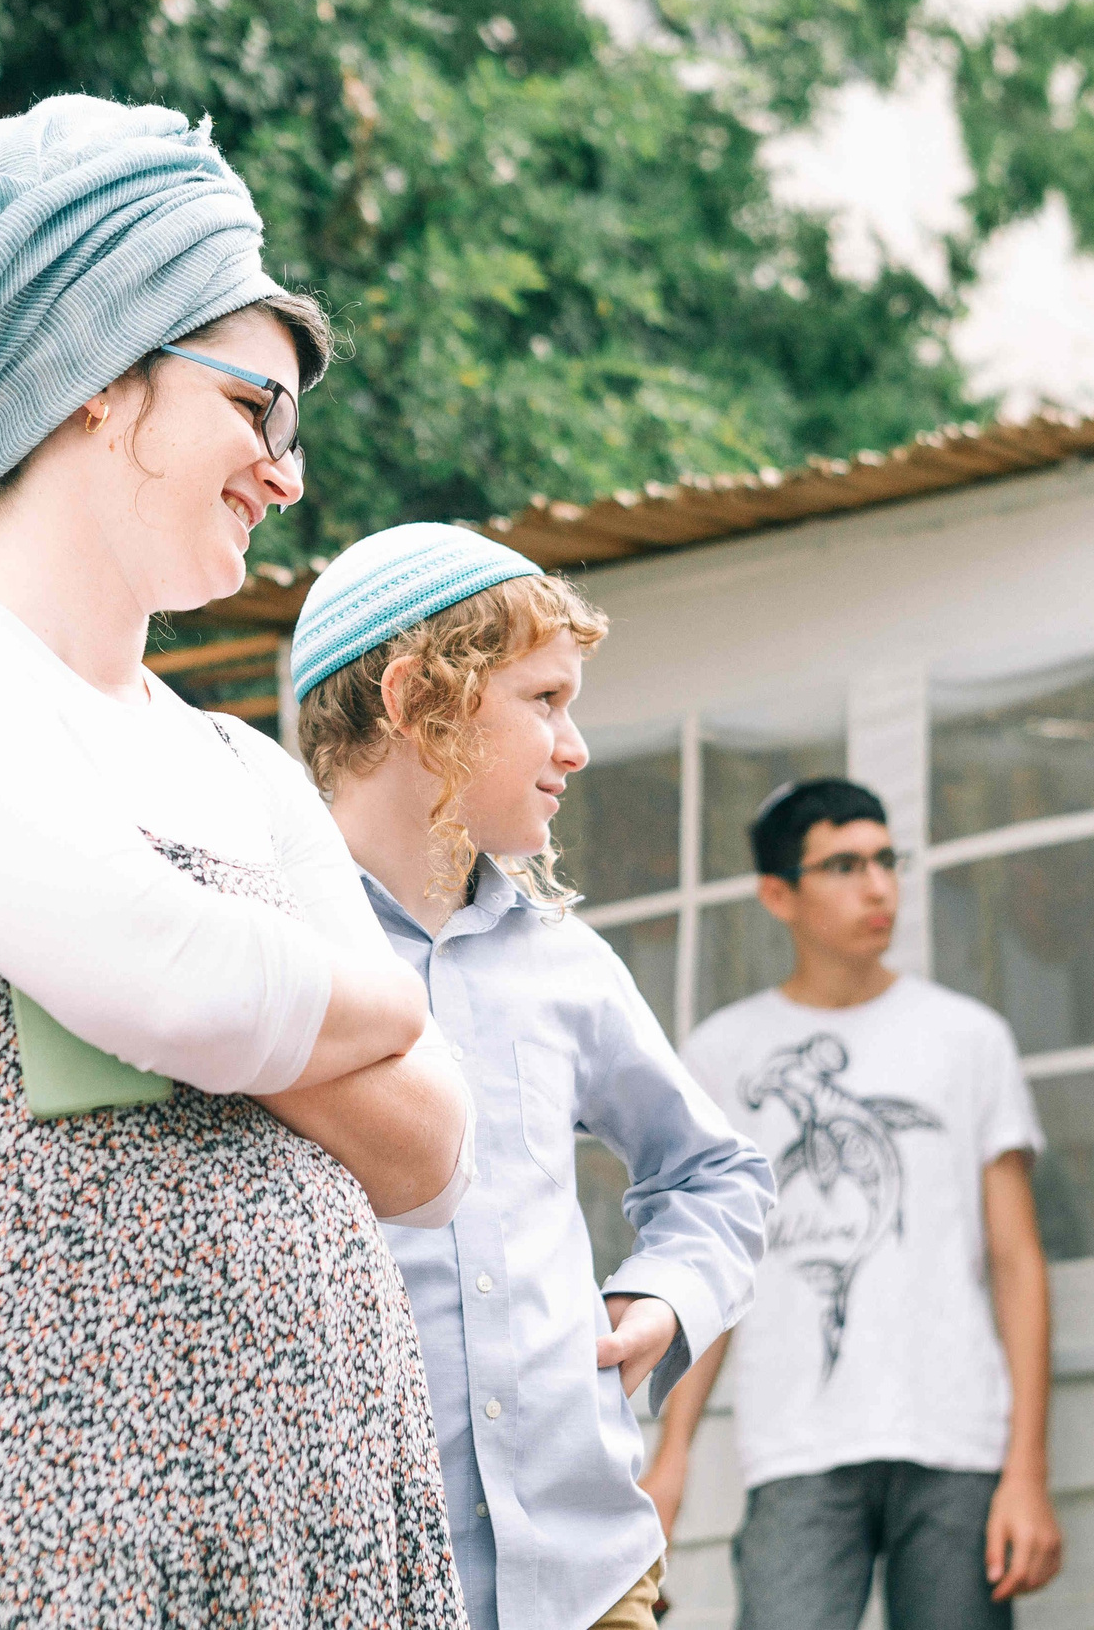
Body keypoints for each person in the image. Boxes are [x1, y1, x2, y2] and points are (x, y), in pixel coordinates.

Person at [0, 94, 474, 1627]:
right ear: (99, 377)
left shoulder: (241, 764)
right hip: (9, 1520)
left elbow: (428, 1147)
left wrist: (243, 1008)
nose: (288, 471)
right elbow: (157, 970)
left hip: (315, 1520)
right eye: (258, 406)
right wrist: (371, 1002)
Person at [294, 524, 774, 1630]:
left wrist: (664, 1300)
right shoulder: (263, 946)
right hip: (355, 1583)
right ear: (421, 701)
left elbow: (720, 1175)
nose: (577, 745)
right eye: (544, 700)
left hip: (589, 1575)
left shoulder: (566, 963)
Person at [646, 777, 1063, 1630]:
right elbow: (713, 1270)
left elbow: (1017, 1261)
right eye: (842, 865)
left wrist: (1027, 1466)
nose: (877, 885)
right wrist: (670, 1460)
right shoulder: (724, 1052)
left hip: (955, 1438)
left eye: (885, 859)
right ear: (778, 894)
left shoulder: (968, 1037)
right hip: (796, 1444)